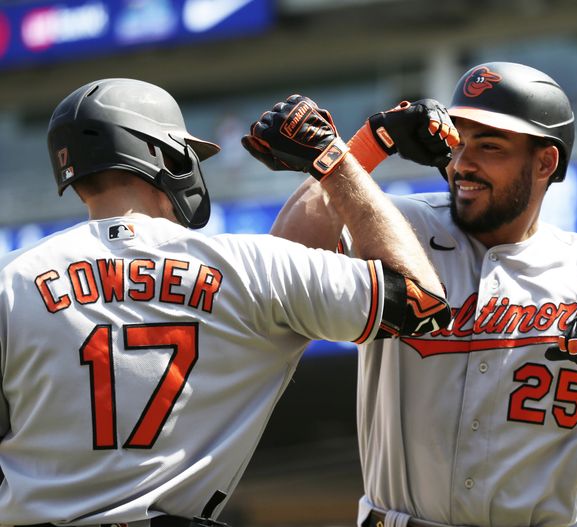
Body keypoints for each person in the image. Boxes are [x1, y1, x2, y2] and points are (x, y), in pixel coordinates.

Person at [269, 62, 577, 527]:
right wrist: (368, 145)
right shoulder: (398, 228)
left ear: (544, 162)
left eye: (489, 146)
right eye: (458, 143)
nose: (462, 164)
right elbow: (281, 267)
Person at [0, 80, 454, 526]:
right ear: (163, 156)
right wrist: (340, 153)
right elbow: (421, 302)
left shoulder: (11, 278)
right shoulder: (243, 267)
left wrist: (368, 144)